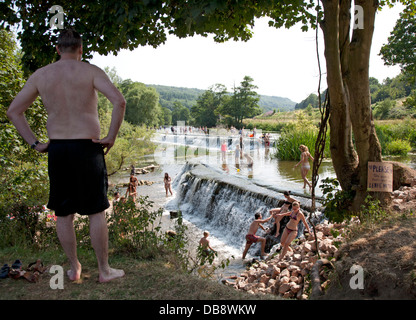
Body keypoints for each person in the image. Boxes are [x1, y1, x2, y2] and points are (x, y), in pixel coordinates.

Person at [6, 29, 126, 283]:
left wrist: (35, 143)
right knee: (96, 212)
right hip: (88, 147)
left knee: (63, 213)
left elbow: (14, 111)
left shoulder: (42, 75)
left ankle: (74, 269)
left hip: (58, 149)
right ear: (80, 49)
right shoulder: (91, 71)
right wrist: (111, 136)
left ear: (58, 49)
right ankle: (104, 271)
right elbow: (119, 101)